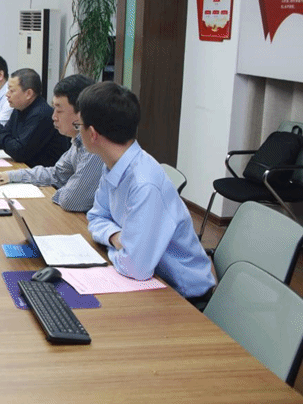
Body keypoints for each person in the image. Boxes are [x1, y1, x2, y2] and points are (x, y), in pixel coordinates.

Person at [79, 81, 215, 305]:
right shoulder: (113, 164)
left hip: (182, 296)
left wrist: (121, 246)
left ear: (92, 133)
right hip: (149, 281)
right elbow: (95, 217)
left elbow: (135, 267)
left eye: (79, 125)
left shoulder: (144, 183)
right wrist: (116, 238)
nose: (78, 131)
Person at [0, 75, 104, 212]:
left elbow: (72, 201)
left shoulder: (94, 146)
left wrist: (56, 193)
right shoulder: (78, 141)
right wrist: (10, 176)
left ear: (81, 113)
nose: (54, 116)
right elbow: (56, 174)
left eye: (59, 110)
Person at [0, 68, 70, 166]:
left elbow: (19, 153)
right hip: (25, 168)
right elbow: (3, 142)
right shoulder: (19, 109)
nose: (7, 94)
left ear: (28, 93)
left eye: (11, 90)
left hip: (41, 172)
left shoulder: (41, 114)